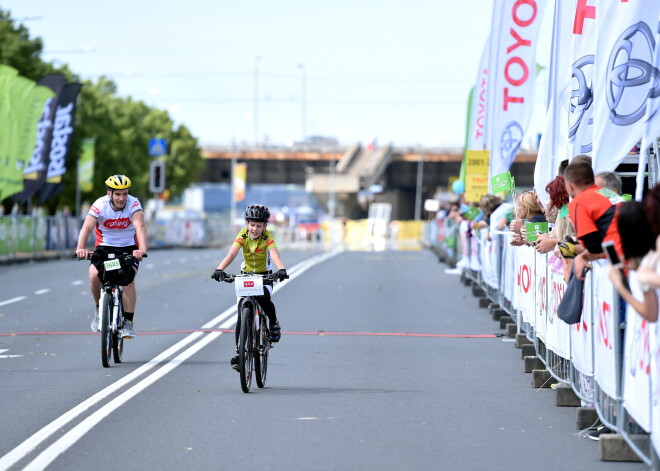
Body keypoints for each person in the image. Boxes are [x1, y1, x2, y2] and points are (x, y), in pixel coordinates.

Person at [211, 204, 288, 371]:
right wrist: (220, 269)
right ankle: (240, 353)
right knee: (241, 311)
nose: (255, 229)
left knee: (263, 298)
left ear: (265, 226)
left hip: (264, 276)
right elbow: (232, 253)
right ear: (247, 224)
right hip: (246, 275)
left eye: (259, 226)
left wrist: (281, 269)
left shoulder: (267, 237)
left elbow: (275, 254)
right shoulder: (243, 234)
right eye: (252, 224)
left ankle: (273, 323)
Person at [76, 174, 148, 338]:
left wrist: (141, 249)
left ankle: (128, 321)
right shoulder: (100, 205)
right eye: (118, 194)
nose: (122, 198)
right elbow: (87, 227)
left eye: (125, 193)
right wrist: (80, 247)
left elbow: (140, 226)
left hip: (129, 248)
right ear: (109, 193)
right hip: (104, 247)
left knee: (128, 281)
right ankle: (99, 309)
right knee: (94, 275)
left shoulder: (134, 203)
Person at [564, 158, 623, 280]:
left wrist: (579, 255)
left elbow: (594, 246)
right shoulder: (607, 192)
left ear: (570, 186)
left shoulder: (578, 202)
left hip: (617, 257)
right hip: (641, 249)